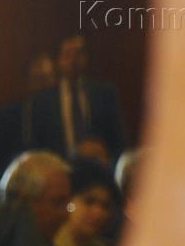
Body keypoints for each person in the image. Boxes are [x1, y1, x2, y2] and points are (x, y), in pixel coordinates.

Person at [30, 35, 127, 163]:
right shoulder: (42, 101)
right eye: (68, 54)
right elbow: (36, 148)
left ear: (85, 58)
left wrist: (106, 155)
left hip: (100, 167)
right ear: (58, 60)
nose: (73, 60)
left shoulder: (104, 94)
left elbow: (120, 142)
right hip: (59, 169)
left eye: (78, 53)